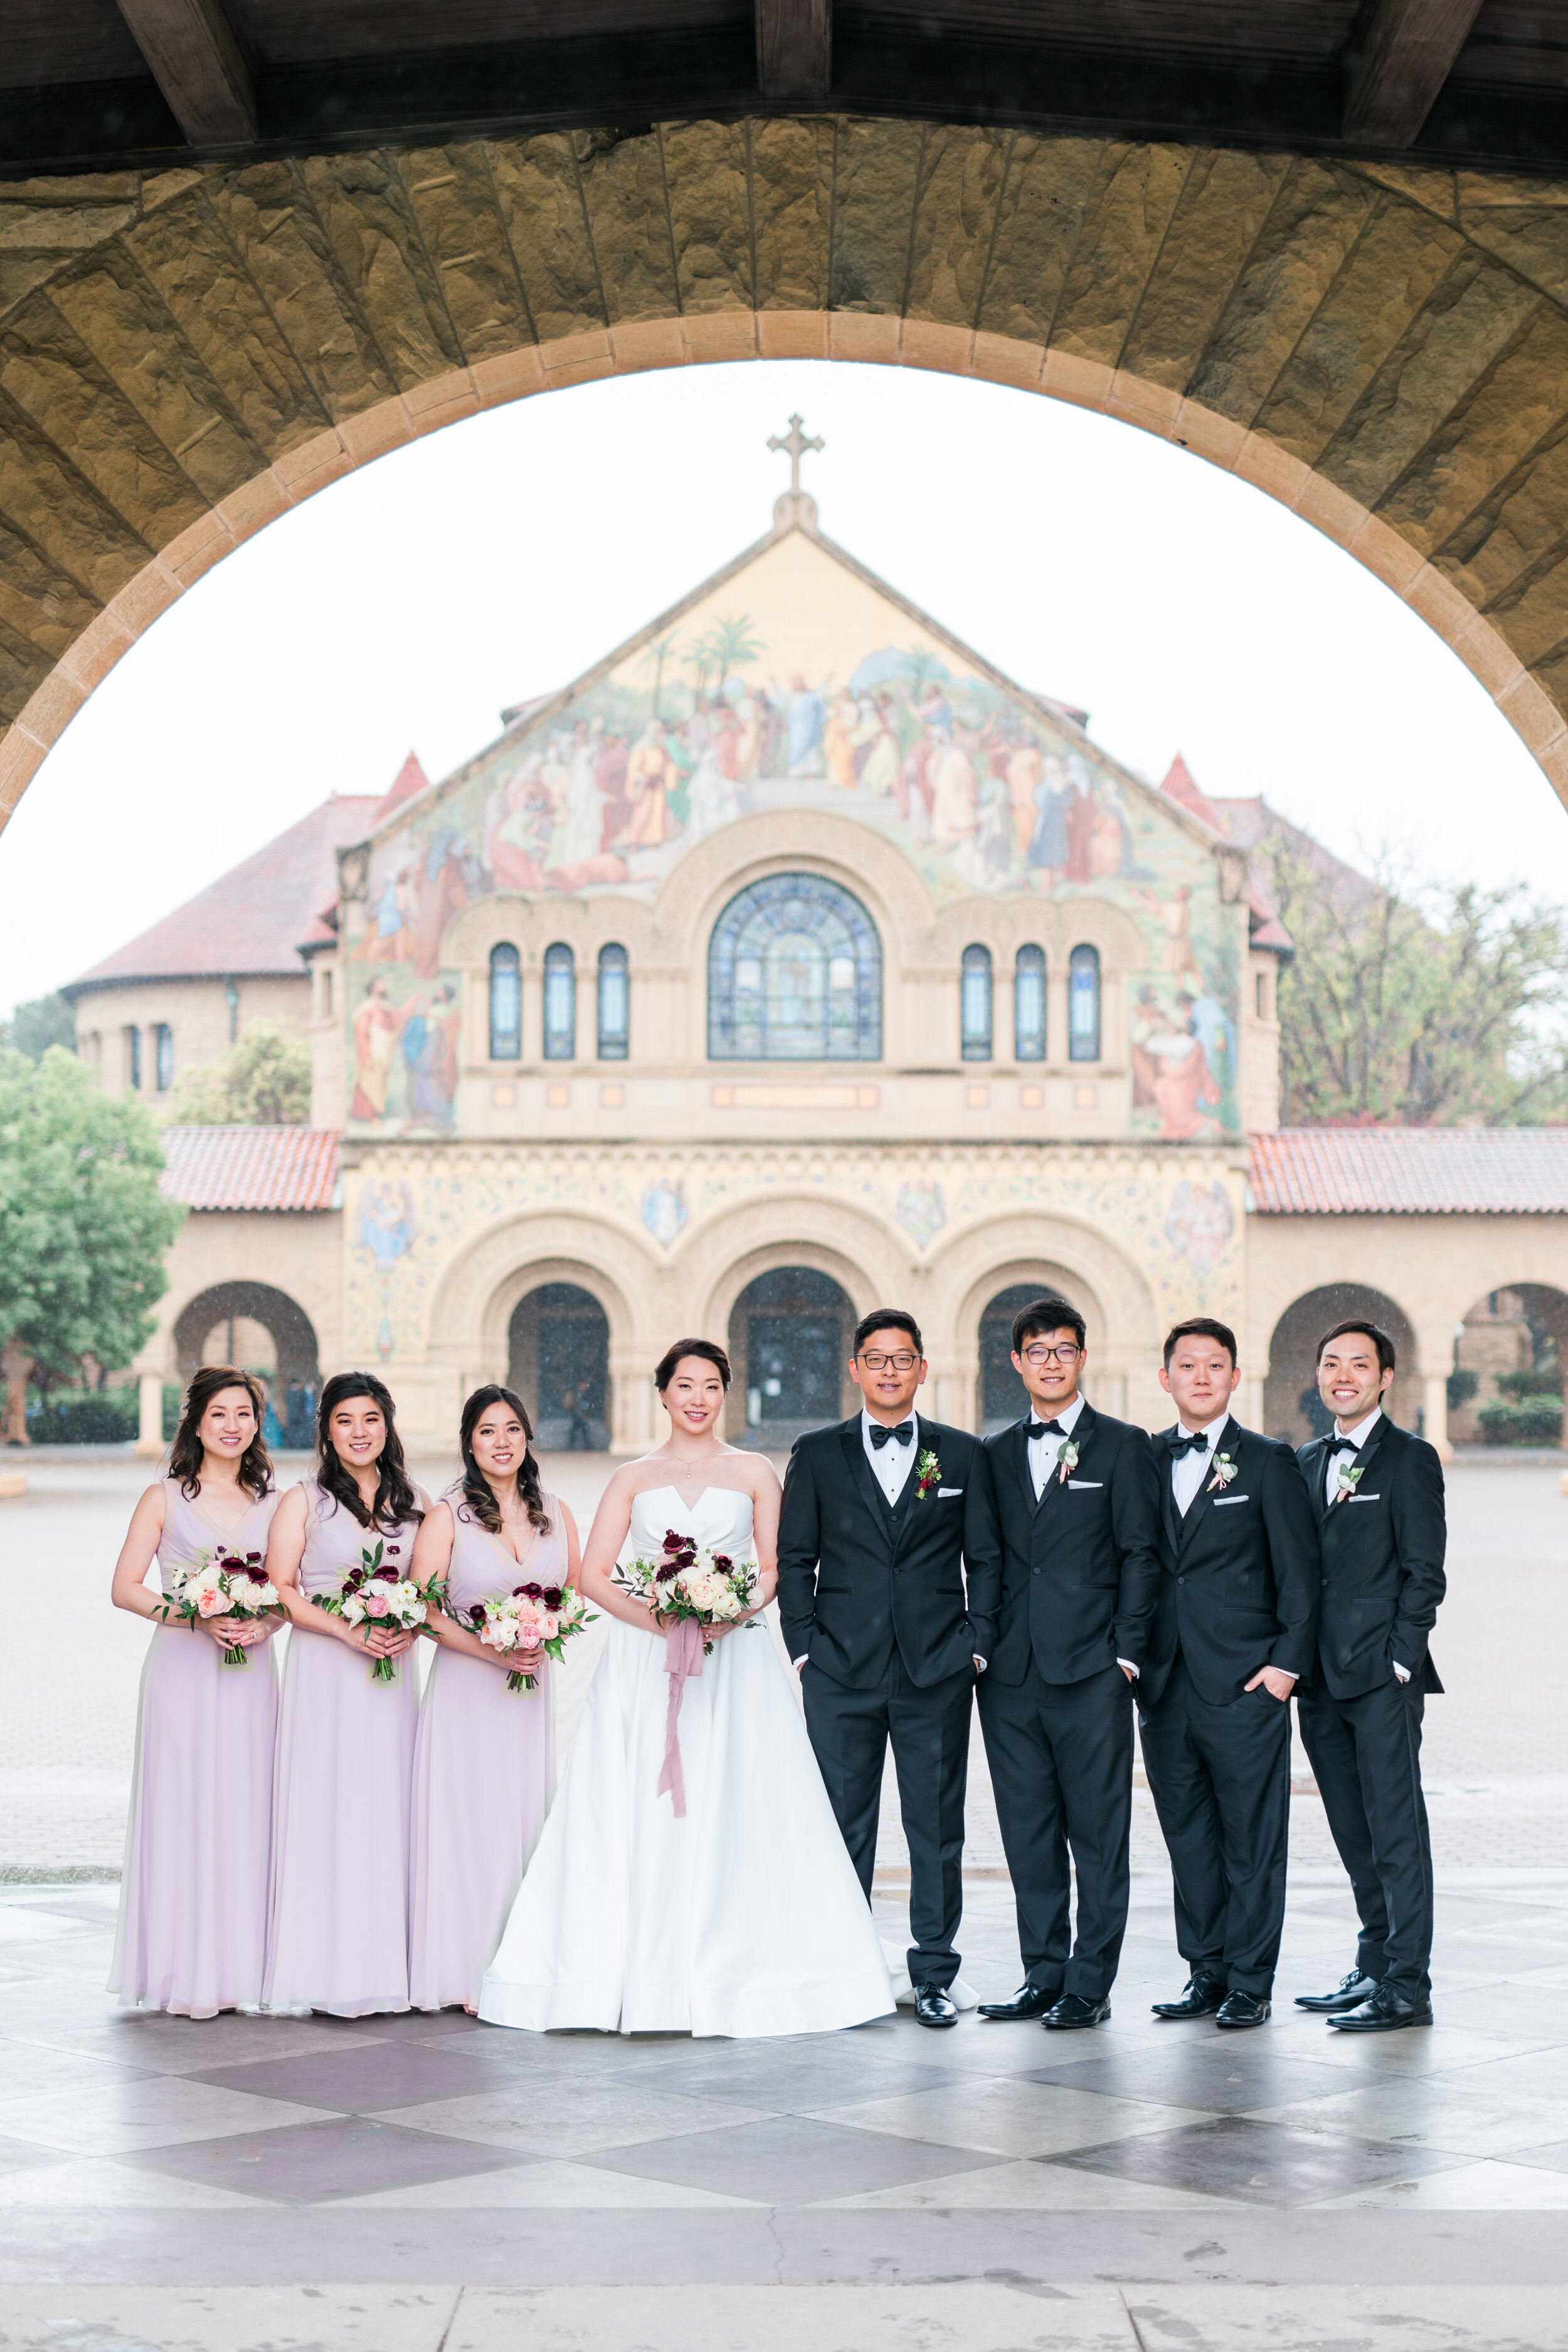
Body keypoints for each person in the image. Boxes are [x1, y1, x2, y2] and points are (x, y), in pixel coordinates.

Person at [479, 1339, 892, 2037]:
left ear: (724, 1393)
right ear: (663, 1394)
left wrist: (727, 1613)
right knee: (642, 1803)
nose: (697, 1398)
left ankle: (739, 1960)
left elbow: (774, 1566)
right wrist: (662, 1620)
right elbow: (595, 1574)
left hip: (736, 1664)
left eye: (709, 1385)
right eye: (684, 1385)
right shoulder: (633, 1479)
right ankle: (630, 1968)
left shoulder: (757, 1470)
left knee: (737, 1795)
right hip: (647, 1663)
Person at [776, 1311, 1002, 2028]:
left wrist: (975, 1642)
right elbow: (793, 1559)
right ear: (854, 1369)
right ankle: (844, 1970)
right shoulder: (816, 1453)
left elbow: (986, 1559)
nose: (888, 1372)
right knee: (844, 1827)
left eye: (902, 1359)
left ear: (922, 1369)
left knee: (936, 1828)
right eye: (874, 1360)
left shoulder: (959, 1455)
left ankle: (933, 1972)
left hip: (936, 1669)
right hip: (838, 1670)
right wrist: (804, 1645)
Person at [972, 1296, 1161, 2030]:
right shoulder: (991, 1453)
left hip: (1091, 1673)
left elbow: (1140, 1555)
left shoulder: (1122, 1445)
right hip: (1010, 1679)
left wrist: (1125, 1656)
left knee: (1097, 1833)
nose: (1050, 1361)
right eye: (1036, 1350)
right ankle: (1041, 1973)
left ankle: (1089, 1982)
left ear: (1083, 1358)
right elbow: (985, 1559)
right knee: (1027, 1832)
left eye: (1063, 1349)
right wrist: (979, 1648)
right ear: (1016, 1362)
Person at [1141, 1318, 1320, 2028]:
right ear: (1166, 1379)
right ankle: (1204, 1971)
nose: (1202, 1378)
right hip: (1163, 1687)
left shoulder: (1269, 1461)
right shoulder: (1143, 1459)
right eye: (1188, 1367)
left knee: (1251, 1839)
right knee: (1187, 1837)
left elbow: (1300, 1577)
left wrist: (1283, 1668)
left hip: (1247, 1683)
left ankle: (1250, 1979)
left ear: (1235, 1377)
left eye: (1216, 1366)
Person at [109, 1367, 281, 2017]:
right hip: (182, 1670)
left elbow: (289, 1594)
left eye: (245, 1414)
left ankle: (243, 1966)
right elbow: (126, 1588)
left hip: (252, 1671)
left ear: (258, 1424)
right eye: (220, 1415)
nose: (233, 1426)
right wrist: (193, 1617)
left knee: (247, 1805)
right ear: (197, 1423)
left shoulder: (276, 1502)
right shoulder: (163, 1498)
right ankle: (182, 1966)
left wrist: (263, 1622)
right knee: (184, 1806)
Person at [1293, 1320, 1446, 2033]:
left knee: (1395, 1831)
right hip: (1318, 1681)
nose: (1343, 1375)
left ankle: (1407, 1986)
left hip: (1381, 1680)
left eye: (1359, 1364)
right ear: (1319, 1375)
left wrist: (1399, 1659)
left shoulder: (1409, 1459)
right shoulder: (1305, 1459)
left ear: (1385, 1377)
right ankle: (1375, 1961)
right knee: (1352, 1831)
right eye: (1332, 1364)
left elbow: (1424, 1574)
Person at [263, 1372, 428, 2016]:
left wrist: (406, 1625)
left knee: (386, 1806)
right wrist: (346, 1630)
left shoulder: (415, 1500)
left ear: (387, 1426)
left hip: (390, 1672)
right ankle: (320, 1966)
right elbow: (282, 1587)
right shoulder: (303, 1501)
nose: (359, 1433)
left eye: (371, 1420)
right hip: (325, 1670)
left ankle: (386, 1963)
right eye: (344, 1421)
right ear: (326, 1432)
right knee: (327, 1805)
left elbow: (429, 1583)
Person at [407, 1386, 573, 2013]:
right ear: (469, 1443)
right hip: (467, 1693)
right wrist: (490, 1648)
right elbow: (423, 1609)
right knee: (466, 1824)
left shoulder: (556, 1513)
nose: (501, 1442)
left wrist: (542, 1633)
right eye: (487, 1431)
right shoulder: (448, 1515)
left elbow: (572, 1593)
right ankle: (460, 1971)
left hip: (528, 1694)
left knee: (520, 1821)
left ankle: (515, 1963)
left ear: (527, 1437)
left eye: (511, 1429)